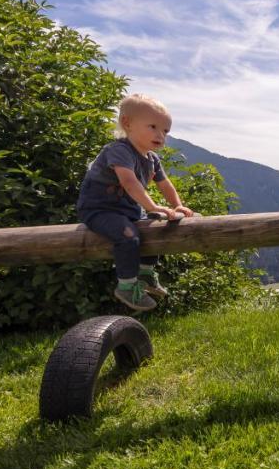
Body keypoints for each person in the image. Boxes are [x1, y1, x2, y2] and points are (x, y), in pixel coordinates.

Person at [76, 93, 197, 311]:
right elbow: (130, 183)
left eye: (165, 131)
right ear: (127, 123)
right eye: (153, 127)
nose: (160, 135)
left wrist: (176, 204)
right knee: (128, 237)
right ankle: (127, 286)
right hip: (99, 209)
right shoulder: (118, 150)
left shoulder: (152, 159)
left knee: (155, 226)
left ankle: (146, 274)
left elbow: (165, 183)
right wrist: (152, 206)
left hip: (127, 211)